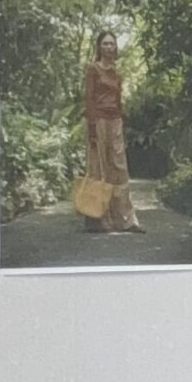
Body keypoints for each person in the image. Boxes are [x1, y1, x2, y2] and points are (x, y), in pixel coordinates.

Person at [81, 29, 143, 234]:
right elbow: (89, 98)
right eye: (105, 43)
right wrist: (92, 128)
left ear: (116, 47)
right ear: (99, 47)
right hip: (97, 120)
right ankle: (98, 219)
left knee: (119, 167)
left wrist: (120, 123)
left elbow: (118, 101)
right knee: (98, 168)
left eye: (112, 44)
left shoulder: (117, 73)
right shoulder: (93, 69)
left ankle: (126, 220)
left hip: (115, 121)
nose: (109, 47)